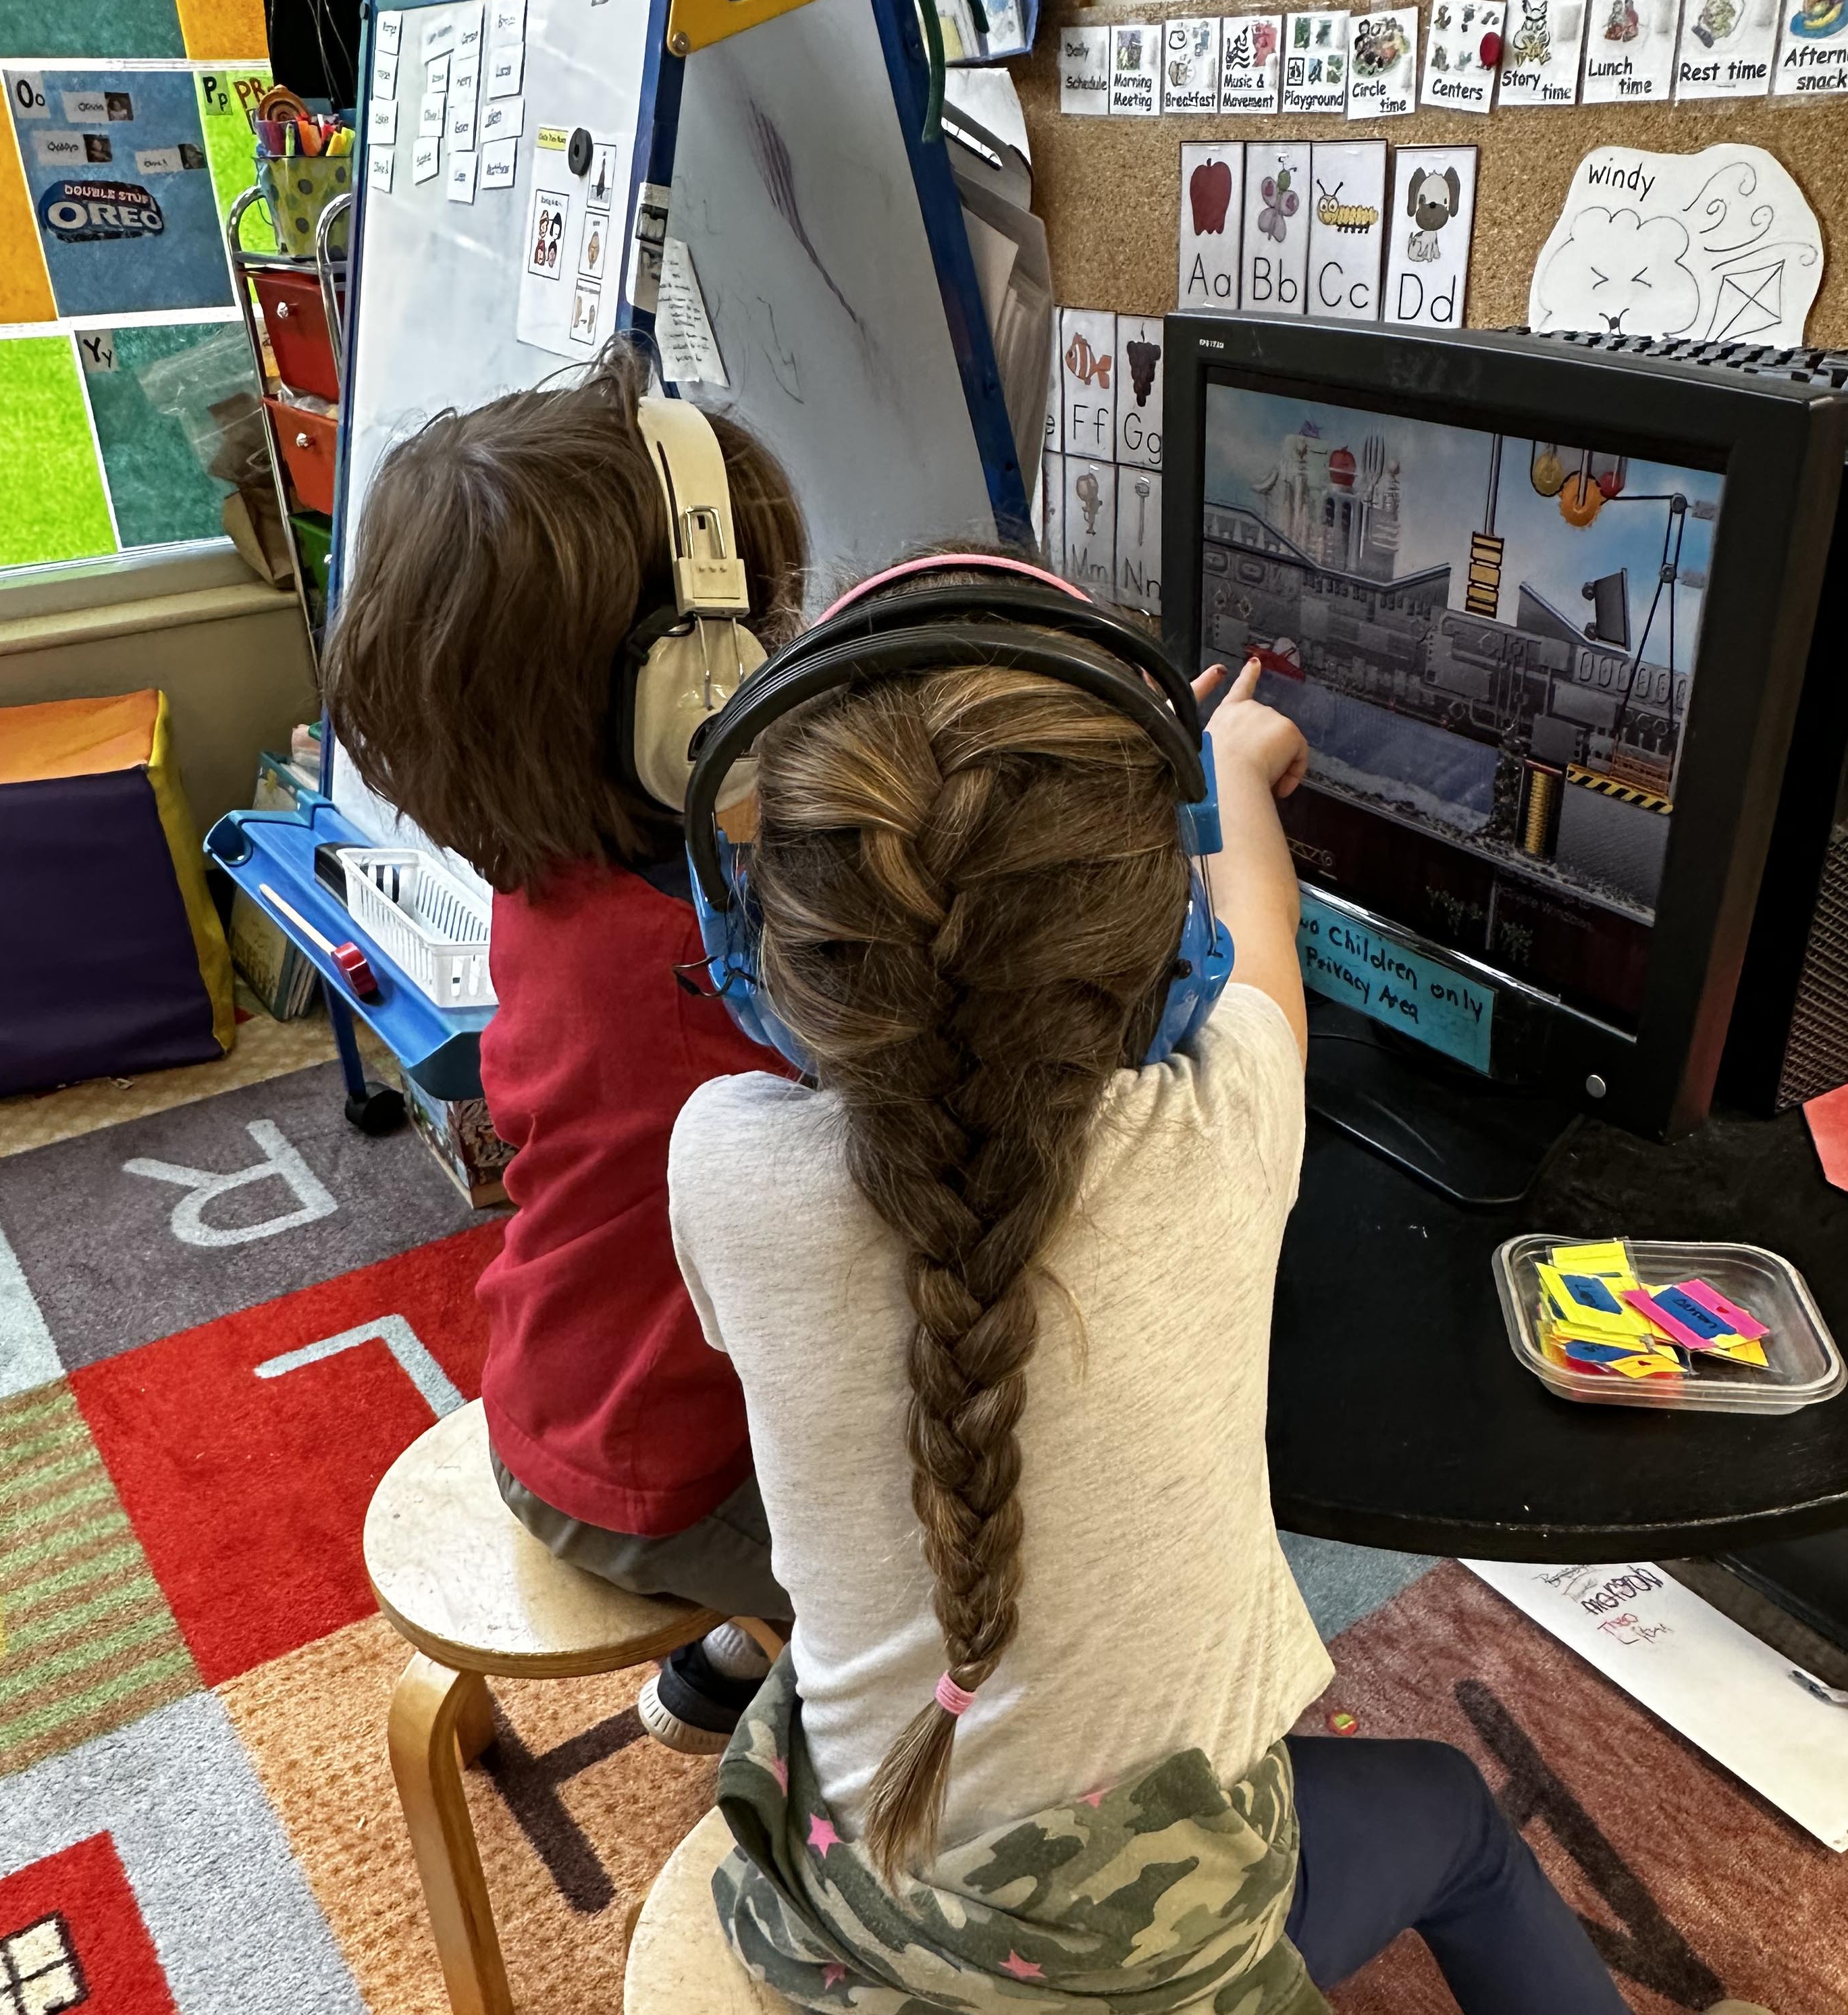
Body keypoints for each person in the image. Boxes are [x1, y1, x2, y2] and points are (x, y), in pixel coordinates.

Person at [664, 556, 1637, 2010]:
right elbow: (1263, 923)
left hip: (853, 1923)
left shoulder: (721, 1165)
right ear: (1167, 961)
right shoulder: (1222, 1125)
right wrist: (1228, 767)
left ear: (757, 952)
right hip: (1157, 1969)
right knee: (1454, 1811)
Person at [323, 342, 799, 1750]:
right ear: (681, 704)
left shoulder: (562, 883)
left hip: (565, 1393)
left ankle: (724, 1659)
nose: (781, 660)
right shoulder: (688, 976)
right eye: (760, 627)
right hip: (665, 1470)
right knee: (965, 1552)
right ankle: (820, 1791)